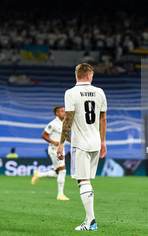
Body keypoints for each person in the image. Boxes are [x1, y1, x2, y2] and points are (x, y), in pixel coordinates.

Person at [57, 63, 107, 231]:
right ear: (88, 75)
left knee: (83, 181)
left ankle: (91, 222)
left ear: (77, 75)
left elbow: (68, 119)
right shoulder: (100, 92)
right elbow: (103, 120)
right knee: (86, 181)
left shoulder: (71, 93)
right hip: (95, 143)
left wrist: (61, 143)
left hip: (80, 144)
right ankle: (88, 219)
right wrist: (103, 142)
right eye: (91, 75)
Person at [31, 106, 71, 201]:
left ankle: (38, 175)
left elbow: (66, 135)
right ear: (57, 113)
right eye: (62, 111)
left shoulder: (65, 123)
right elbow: (43, 135)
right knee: (63, 171)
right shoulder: (53, 124)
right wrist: (53, 142)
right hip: (54, 150)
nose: (64, 113)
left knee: (58, 173)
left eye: (64, 111)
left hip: (62, 150)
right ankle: (60, 195)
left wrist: (73, 143)